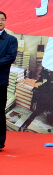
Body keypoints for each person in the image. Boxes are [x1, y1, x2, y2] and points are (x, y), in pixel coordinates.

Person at [0, 11, 18, 152]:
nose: (0, 22)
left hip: (0, 81)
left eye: (2, 19)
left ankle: (0, 142)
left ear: (5, 21)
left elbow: (10, 57)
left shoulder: (11, 40)